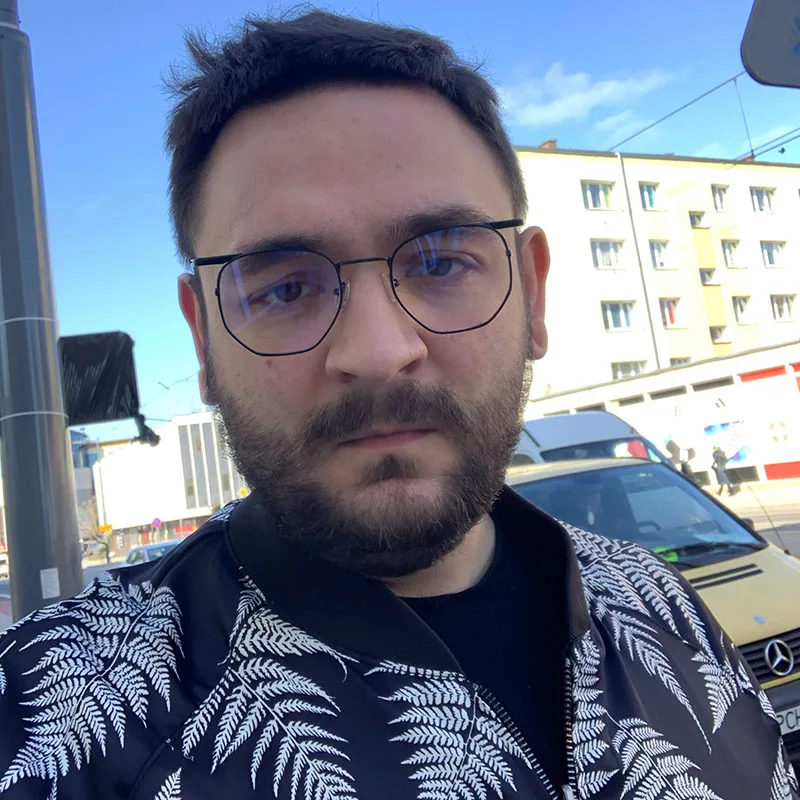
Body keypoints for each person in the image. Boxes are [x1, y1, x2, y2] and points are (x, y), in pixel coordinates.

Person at [0, 11, 796, 800]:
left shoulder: (660, 604)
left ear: (533, 292)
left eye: (442, 262)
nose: (380, 351)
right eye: (285, 287)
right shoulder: (52, 720)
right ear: (203, 338)